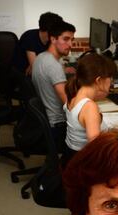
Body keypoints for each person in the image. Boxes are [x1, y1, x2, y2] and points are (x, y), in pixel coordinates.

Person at [32, 20, 76, 150]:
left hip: (47, 119)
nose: (70, 44)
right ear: (53, 39)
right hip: (58, 125)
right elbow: (69, 105)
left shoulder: (41, 57)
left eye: (72, 40)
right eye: (66, 39)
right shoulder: (53, 66)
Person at [63, 53, 116, 160]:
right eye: (110, 77)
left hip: (71, 156)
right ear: (98, 80)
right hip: (83, 162)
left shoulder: (74, 94)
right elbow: (95, 148)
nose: (111, 81)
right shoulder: (89, 107)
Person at [12, 12, 63, 76]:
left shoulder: (51, 40)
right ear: (49, 30)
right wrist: (35, 66)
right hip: (21, 74)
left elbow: (54, 60)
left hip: (35, 72)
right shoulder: (29, 37)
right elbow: (36, 69)